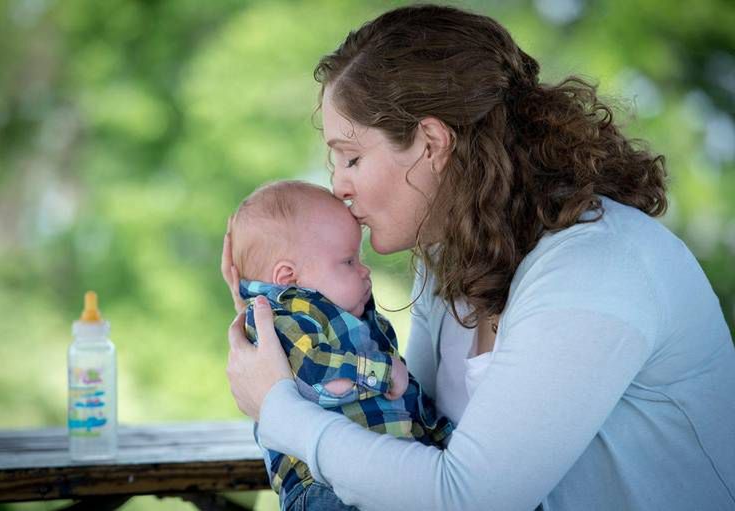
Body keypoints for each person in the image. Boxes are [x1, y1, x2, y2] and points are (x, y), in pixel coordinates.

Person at [222, 4, 735, 510]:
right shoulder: (451, 257)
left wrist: (279, 409)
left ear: (431, 142)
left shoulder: (596, 267)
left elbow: (467, 497)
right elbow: (407, 434)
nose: (339, 187)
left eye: (352, 157)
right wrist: (283, 311)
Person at [227, 180, 453, 511]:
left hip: (370, 477)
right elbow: (318, 371)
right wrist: (383, 374)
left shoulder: (342, 317)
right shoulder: (285, 318)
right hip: (323, 488)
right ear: (289, 278)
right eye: (349, 261)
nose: (365, 272)